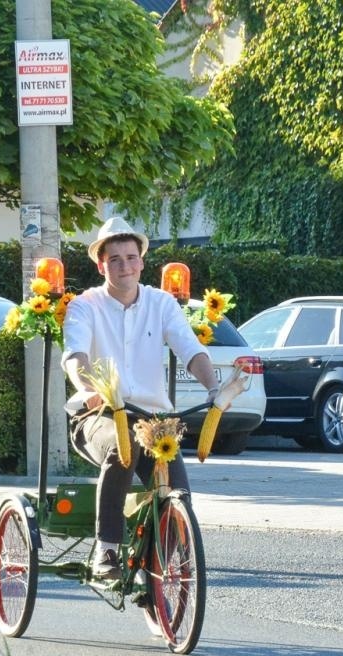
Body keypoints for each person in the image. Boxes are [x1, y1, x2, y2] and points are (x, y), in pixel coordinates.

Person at [62, 217, 219, 582]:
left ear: (142, 262)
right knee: (124, 448)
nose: (124, 266)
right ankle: (107, 549)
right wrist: (87, 388)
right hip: (98, 414)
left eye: (130, 257)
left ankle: (172, 566)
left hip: (152, 419)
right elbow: (75, 356)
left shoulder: (161, 303)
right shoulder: (85, 306)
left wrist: (214, 388)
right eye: (114, 259)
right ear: (101, 265)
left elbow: (191, 350)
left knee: (177, 490)